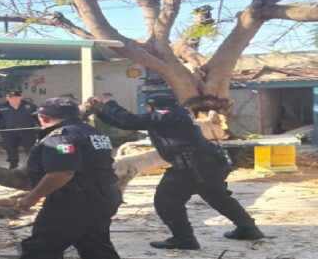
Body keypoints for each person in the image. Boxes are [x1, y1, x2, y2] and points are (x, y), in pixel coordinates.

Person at [88, 93, 265, 250]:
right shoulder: (173, 115)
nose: (148, 110)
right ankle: (248, 228)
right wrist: (100, 112)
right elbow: (127, 124)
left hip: (193, 166)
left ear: (154, 106)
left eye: (149, 107)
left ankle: (184, 238)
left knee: (167, 200)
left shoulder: (168, 114)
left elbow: (130, 120)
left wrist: (109, 103)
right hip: (207, 163)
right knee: (218, 197)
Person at [16, 97, 133, 259]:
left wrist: (32, 197)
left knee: (40, 248)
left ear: (43, 117)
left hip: (73, 201)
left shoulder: (60, 137)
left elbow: (63, 172)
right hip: (104, 197)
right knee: (93, 240)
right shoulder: (94, 132)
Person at [0, 90, 38, 169]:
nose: (14, 99)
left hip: (27, 131)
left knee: (31, 149)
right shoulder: (1, 108)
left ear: (21, 97)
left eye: (16, 97)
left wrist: (45, 127)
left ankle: (33, 166)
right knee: (11, 149)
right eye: (11, 97)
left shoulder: (31, 106)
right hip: (9, 132)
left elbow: (39, 117)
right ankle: (13, 165)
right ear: (7, 98)